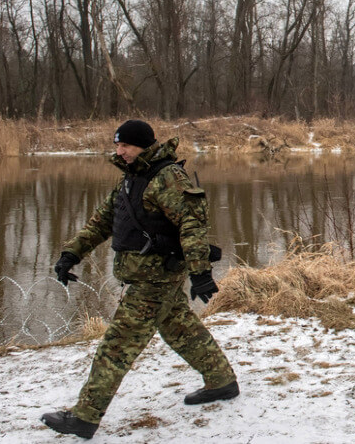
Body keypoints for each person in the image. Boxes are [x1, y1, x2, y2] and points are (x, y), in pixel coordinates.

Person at [40, 119, 238, 439]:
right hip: (146, 276)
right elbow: (103, 221)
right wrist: (71, 255)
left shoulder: (167, 177)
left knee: (116, 347)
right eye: (118, 145)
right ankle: (222, 381)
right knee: (180, 328)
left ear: (144, 146)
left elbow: (192, 224)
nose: (120, 151)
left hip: (155, 279)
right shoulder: (131, 178)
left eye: (126, 145)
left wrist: (200, 272)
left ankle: (84, 417)